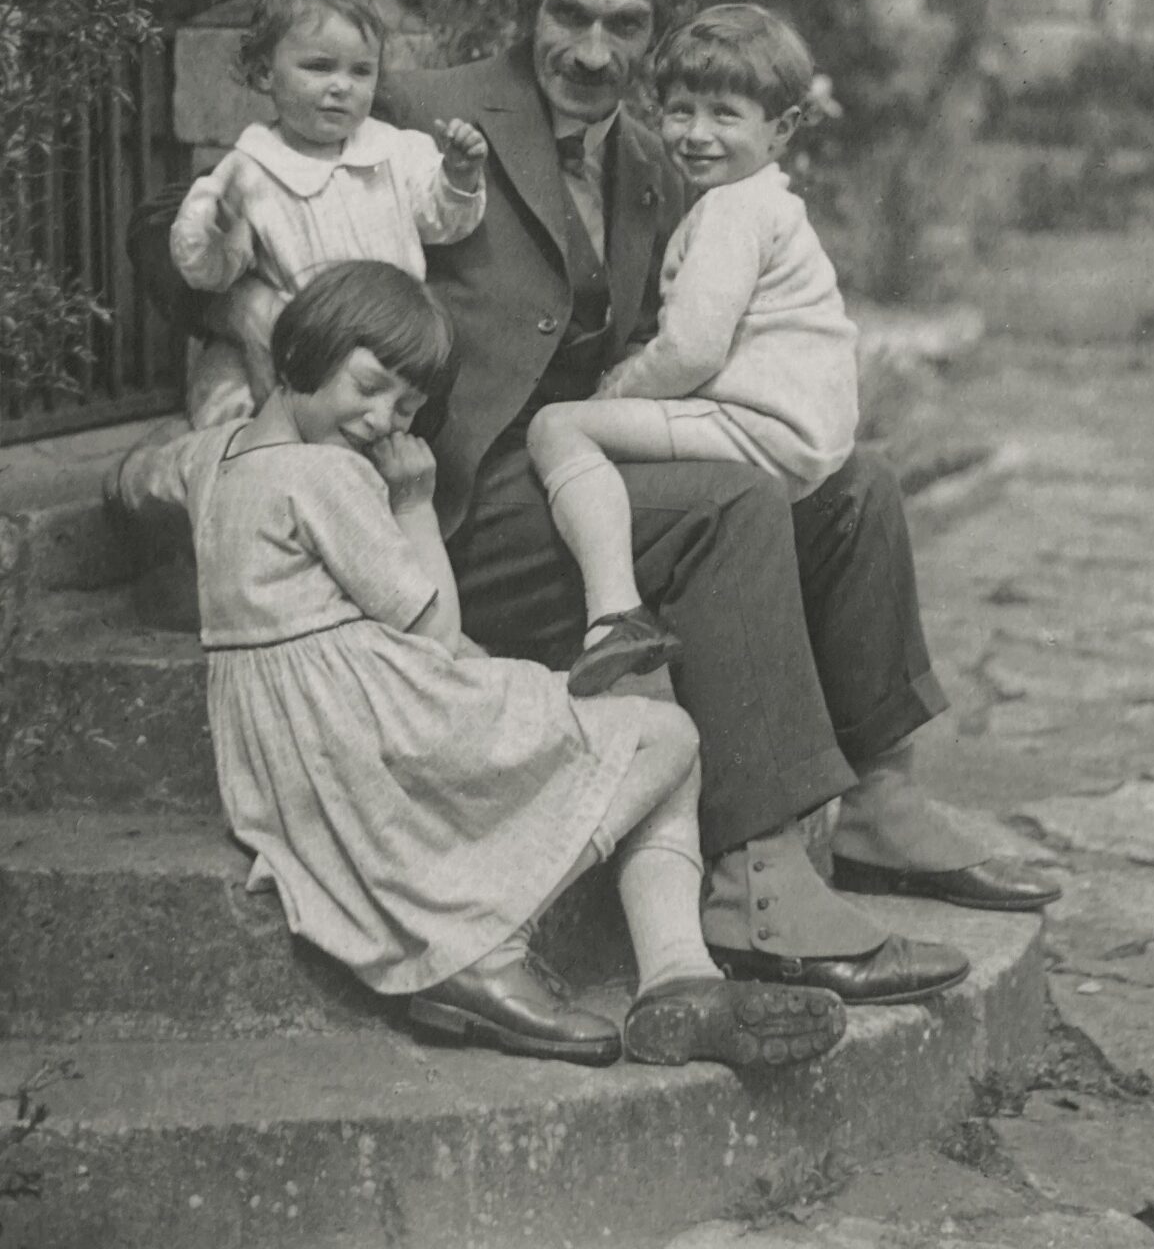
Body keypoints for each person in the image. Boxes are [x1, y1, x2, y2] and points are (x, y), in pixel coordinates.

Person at [129, 0, 1058, 1008]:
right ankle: (758, 883)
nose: (589, 47)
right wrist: (248, 308)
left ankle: (872, 797)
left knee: (852, 484)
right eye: (569, 11)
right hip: (451, 502)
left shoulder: (669, 166)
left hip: (583, 482)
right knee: (727, 505)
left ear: (656, 35)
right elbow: (176, 223)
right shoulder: (422, 112)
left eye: (624, 25)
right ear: (533, 1)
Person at [115, 260, 848, 1070]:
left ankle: (676, 984)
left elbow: (136, 482)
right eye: (369, 384)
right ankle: (537, 950)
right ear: (305, 351)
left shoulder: (211, 457)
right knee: (667, 735)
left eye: (405, 406)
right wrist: (414, 504)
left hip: (279, 741)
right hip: (369, 721)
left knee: (583, 712)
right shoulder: (325, 477)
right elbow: (433, 632)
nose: (381, 419)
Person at [527, 3, 859, 699]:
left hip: (757, 428)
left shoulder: (732, 210)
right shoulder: (769, 200)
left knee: (558, 427)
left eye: (724, 114)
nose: (697, 134)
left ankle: (614, 613)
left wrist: (610, 392)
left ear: (782, 129)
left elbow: (689, 352)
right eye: (680, 111)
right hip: (803, 433)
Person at [168, 0, 488, 425]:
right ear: (263, 73)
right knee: (247, 426)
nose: (342, 86)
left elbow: (446, 222)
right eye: (319, 67)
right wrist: (214, 232)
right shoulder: (249, 171)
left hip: (391, 355)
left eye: (361, 71)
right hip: (301, 360)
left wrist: (458, 176)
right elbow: (213, 274)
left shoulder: (395, 152)